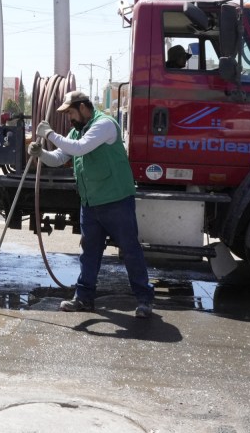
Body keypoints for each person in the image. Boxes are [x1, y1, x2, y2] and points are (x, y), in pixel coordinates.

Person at [28, 90, 155, 318]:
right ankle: (84, 298)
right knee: (89, 253)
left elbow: (79, 148)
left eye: (71, 113)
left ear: (84, 107)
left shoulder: (104, 125)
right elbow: (60, 157)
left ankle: (144, 299)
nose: (70, 119)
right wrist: (41, 154)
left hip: (116, 200)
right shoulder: (78, 131)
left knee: (130, 250)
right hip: (91, 202)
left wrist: (50, 133)